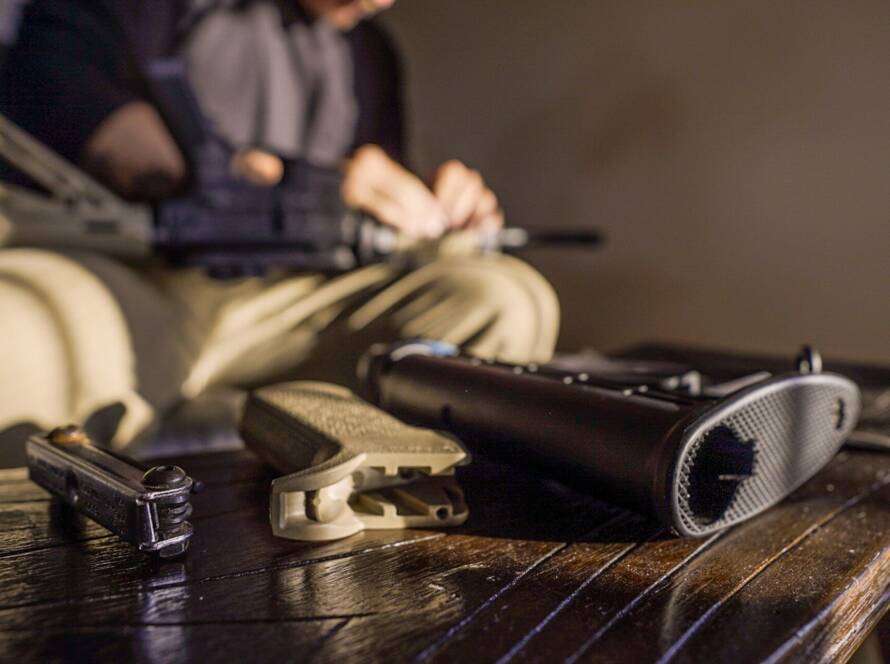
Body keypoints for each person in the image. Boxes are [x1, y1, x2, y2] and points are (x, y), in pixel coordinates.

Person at [0, 0, 560, 451]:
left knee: (508, 299)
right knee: (15, 341)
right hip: (134, 277)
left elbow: (374, 216)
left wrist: (439, 219)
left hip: (289, 301)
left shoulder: (369, 55)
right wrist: (316, 187)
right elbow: (119, 144)